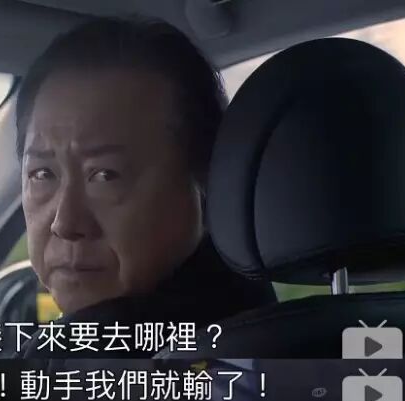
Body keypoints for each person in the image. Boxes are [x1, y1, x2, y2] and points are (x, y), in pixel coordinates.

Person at [14, 16, 276, 358]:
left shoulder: (70, 365)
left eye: (105, 175)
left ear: (206, 181)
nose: (65, 223)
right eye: (42, 174)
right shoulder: (273, 331)